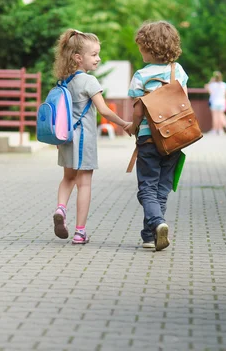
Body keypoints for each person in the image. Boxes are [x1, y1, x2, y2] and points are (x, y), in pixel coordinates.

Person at [52, 29, 132, 245]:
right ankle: (80, 232)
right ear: (79, 58)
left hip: (66, 139)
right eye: (94, 54)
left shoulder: (63, 82)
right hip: (84, 141)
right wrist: (124, 124)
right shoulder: (89, 82)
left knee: (68, 178)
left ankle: (60, 208)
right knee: (84, 184)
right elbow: (104, 111)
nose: (98, 58)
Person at [127, 21, 189, 251]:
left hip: (148, 138)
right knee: (161, 188)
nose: (140, 51)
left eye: (141, 46)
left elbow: (138, 109)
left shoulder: (141, 76)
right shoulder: (178, 71)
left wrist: (133, 127)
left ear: (150, 47)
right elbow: (184, 101)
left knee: (147, 188)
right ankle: (149, 236)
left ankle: (158, 223)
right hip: (174, 137)